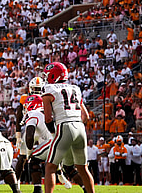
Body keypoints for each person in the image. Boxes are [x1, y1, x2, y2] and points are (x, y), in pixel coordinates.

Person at [41, 62, 96, 193]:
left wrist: (55, 133)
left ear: (53, 75)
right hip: (79, 127)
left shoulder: (49, 89)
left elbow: (48, 118)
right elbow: (86, 116)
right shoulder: (75, 88)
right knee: (83, 168)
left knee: (50, 167)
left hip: (65, 126)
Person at [20, 95, 81, 193]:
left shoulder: (32, 113)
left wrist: (28, 152)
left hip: (54, 141)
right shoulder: (51, 111)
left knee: (34, 160)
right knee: (69, 168)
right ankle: (86, 188)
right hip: (69, 137)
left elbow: (29, 136)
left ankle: (38, 189)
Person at [16, 77, 45, 178]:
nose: (36, 91)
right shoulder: (25, 98)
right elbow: (19, 117)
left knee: (50, 155)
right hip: (31, 127)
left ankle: (59, 174)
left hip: (41, 128)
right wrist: (18, 136)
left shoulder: (47, 97)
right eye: (35, 88)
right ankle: (16, 182)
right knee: (22, 157)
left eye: (38, 89)